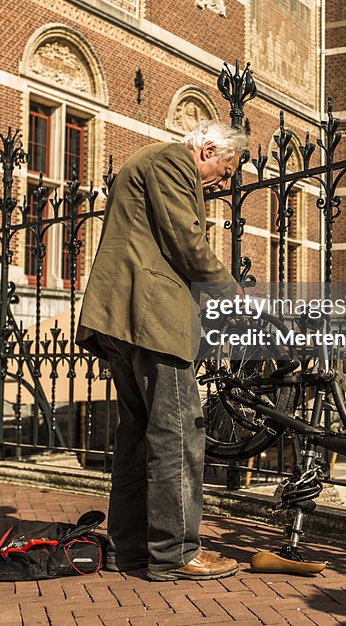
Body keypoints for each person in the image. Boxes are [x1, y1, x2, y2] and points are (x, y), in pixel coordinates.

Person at [75, 120, 248, 580]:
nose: (224, 185)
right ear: (208, 148)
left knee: (136, 435)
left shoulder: (146, 162)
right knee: (178, 434)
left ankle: (129, 550)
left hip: (120, 317)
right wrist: (231, 293)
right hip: (151, 319)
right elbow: (186, 241)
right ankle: (177, 553)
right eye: (226, 172)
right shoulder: (172, 161)